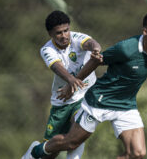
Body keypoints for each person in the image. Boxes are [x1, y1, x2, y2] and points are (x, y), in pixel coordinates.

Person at [23, 11, 147, 159]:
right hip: (99, 100)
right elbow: (97, 60)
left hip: (126, 104)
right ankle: (37, 150)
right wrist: (73, 82)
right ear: (145, 32)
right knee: (71, 143)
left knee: (138, 153)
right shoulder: (125, 49)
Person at [22, 10, 102, 159]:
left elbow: (91, 42)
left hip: (85, 96)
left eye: (66, 30)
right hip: (63, 101)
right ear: (50, 34)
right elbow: (55, 66)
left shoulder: (77, 38)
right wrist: (71, 80)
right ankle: (34, 151)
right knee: (51, 153)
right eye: (59, 33)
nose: (64, 35)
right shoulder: (47, 49)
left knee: (78, 132)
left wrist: (96, 49)